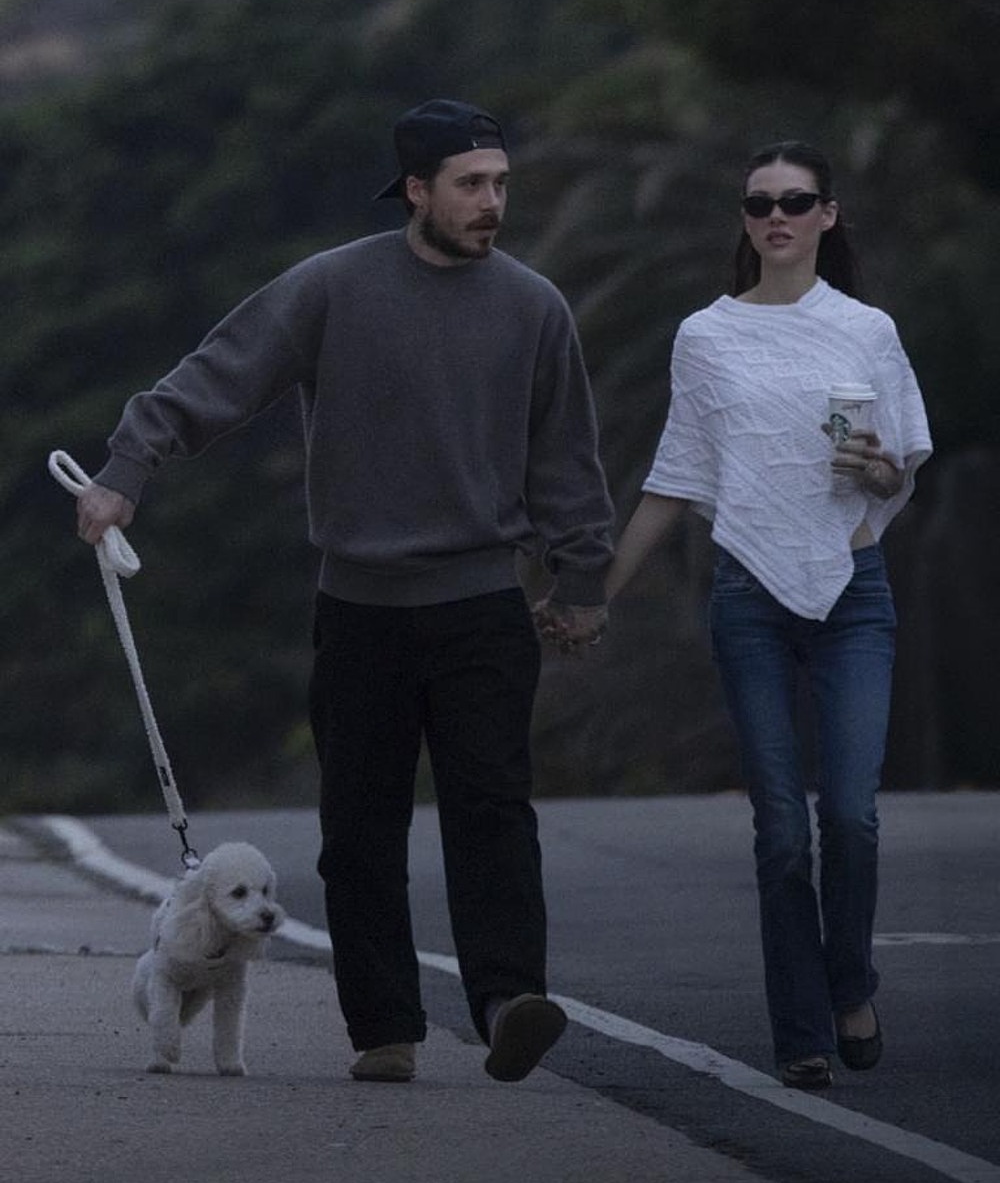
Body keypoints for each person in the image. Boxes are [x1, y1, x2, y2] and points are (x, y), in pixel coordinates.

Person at [75, 98, 614, 1084]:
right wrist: (124, 473)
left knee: (493, 812)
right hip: (362, 610)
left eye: (500, 183)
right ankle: (385, 1029)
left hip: (480, 605)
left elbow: (567, 458)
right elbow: (218, 375)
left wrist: (582, 578)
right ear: (416, 191)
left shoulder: (534, 305)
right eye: (470, 185)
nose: (492, 202)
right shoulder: (332, 287)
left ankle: (508, 1002)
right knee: (359, 831)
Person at [604, 141, 931, 1091]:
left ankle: (851, 982)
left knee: (852, 817)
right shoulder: (706, 336)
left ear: (828, 214)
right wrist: (593, 597)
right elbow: (675, 478)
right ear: (744, 221)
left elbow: (899, 467)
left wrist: (881, 473)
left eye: (795, 201)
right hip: (748, 595)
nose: (776, 218)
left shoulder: (867, 330)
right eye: (759, 205)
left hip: (854, 592)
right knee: (782, 829)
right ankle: (801, 1031)